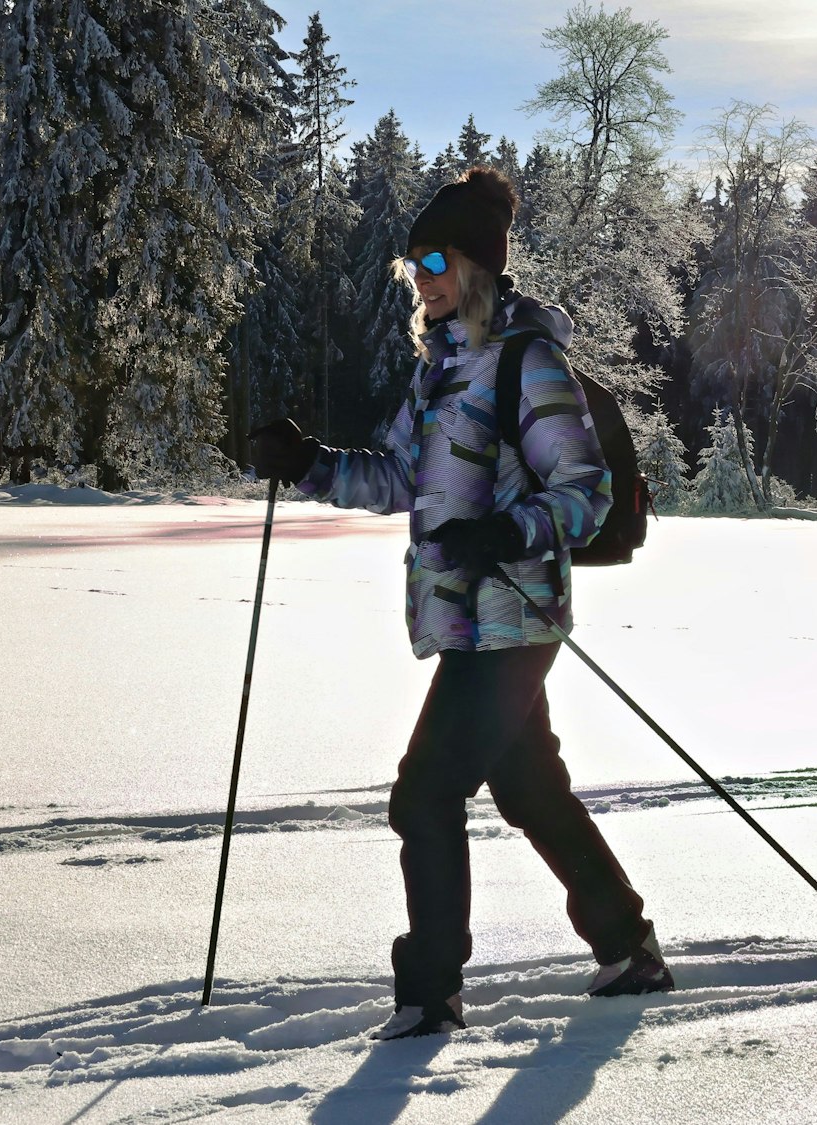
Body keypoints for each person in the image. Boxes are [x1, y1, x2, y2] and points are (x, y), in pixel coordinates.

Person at [250, 166, 670, 1040]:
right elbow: (400, 474)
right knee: (527, 785)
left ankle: (430, 992)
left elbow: (583, 490)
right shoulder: (439, 368)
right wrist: (311, 463)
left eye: (436, 257)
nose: (423, 276)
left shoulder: (527, 358)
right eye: (412, 264)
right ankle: (630, 946)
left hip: (512, 617)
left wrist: (509, 532)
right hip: (467, 617)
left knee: (424, 793)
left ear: (478, 263)